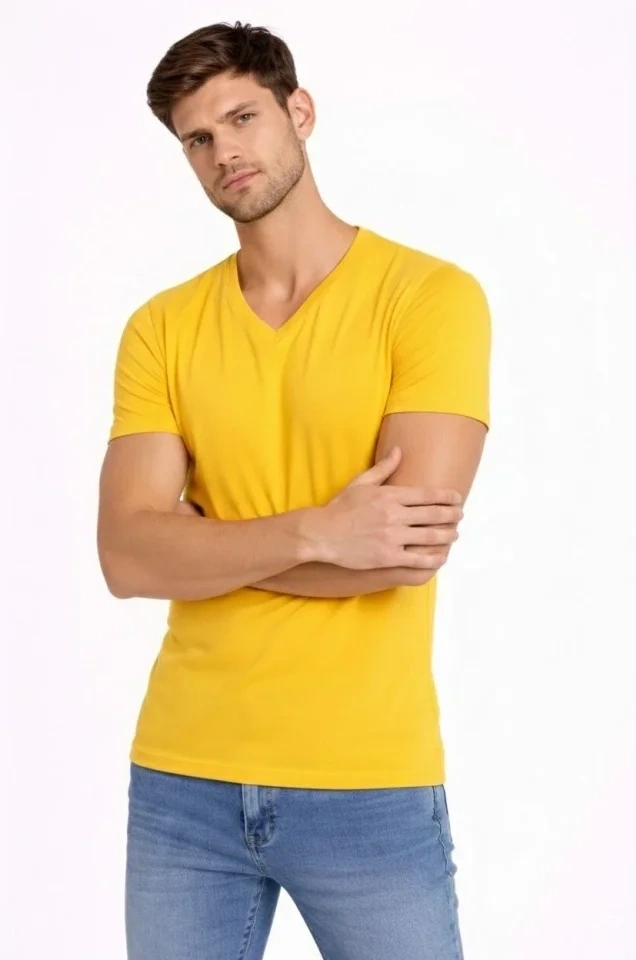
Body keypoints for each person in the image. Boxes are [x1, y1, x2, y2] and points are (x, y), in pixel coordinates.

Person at [97, 19, 491, 960]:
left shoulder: (429, 297)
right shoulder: (161, 327)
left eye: (243, 118)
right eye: (198, 138)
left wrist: (201, 549)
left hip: (366, 778)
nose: (224, 152)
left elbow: (402, 551)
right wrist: (320, 531)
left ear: (299, 112)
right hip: (183, 778)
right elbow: (125, 558)